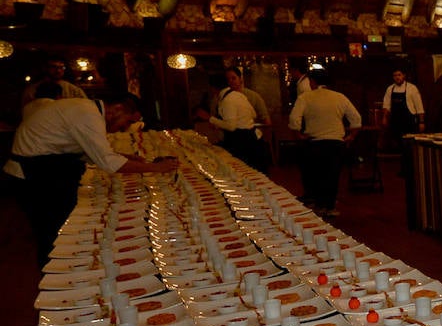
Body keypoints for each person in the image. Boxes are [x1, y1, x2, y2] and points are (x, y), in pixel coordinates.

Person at [8, 93, 177, 263]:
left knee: (58, 229)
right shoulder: (87, 113)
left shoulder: (85, 109)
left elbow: (85, 150)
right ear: (117, 109)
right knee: (53, 233)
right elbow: (108, 162)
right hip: (33, 173)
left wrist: (123, 157)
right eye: (128, 121)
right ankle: (57, 275)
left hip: (45, 167)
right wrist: (155, 168)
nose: (124, 128)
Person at [288, 68, 362, 217]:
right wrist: (351, 136)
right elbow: (356, 120)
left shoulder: (305, 97)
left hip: (314, 143)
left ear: (312, 82)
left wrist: (298, 135)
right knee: (332, 175)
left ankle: (319, 205)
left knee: (315, 175)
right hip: (336, 143)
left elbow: (294, 120)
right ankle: (330, 206)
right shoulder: (340, 97)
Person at [196, 73, 267, 171]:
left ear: (213, 88)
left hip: (242, 141)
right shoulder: (238, 95)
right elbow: (253, 114)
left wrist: (209, 118)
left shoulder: (228, 100)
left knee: (244, 173)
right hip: (251, 138)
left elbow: (231, 127)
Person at [381, 67, 424, 173]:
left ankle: (410, 169)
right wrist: (384, 118)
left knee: (409, 146)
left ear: (403, 76)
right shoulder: (390, 89)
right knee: (401, 146)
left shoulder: (412, 88)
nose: (397, 77)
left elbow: (419, 106)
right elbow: (386, 105)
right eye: (395, 75)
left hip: (409, 120)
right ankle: (404, 168)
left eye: (399, 75)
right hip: (396, 121)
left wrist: (421, 122)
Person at [21, 56, 86, 105]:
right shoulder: (32, 90)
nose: (58, 71)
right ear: (45, 68)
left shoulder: (74, 90)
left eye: (61, 67)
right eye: (53, 67)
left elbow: (84, 107)